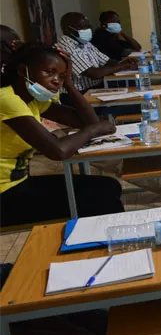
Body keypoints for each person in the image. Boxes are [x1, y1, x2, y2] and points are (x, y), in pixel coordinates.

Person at [0, 43, 125, 226]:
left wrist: (69, 84)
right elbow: (58, 152)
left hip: (17, 184)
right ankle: (104, 246)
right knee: (100, 199)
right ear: (22, 70)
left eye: (60, 75)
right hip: (5, 194)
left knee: (109, 186)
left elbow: (88, 121)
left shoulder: (32, 100)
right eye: (49, 72)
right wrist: (92, 130)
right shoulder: (7, 99)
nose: (56, 80)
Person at [54, 12, 137, 101]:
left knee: (134, 89)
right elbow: (94, 74)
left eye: (89, 25)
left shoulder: (85, 43)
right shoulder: (66, 47)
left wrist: (129, 63)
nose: (89, 29)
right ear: (69, 29)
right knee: (132, 102)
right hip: (78, 95)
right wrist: (124, 65)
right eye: (84, 27)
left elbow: (108, 61)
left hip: (96, 88)